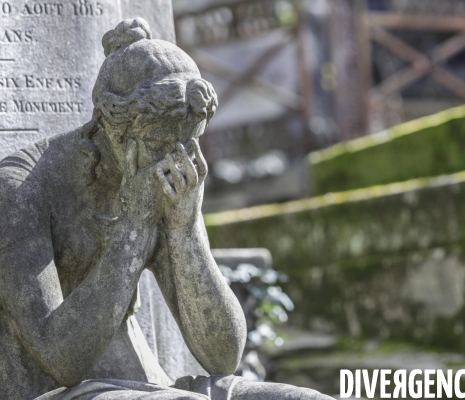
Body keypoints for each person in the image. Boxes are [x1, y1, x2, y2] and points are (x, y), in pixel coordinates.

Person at [0, 18, 332, 400]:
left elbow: (223, 356)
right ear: (111, 126)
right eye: (159, 144)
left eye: (186, 146)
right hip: (56, 391)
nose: (173, 162)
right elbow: (61, 361)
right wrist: (135, 227)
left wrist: (185, 227)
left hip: (148, 384)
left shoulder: (164, 169)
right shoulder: (21, 189)